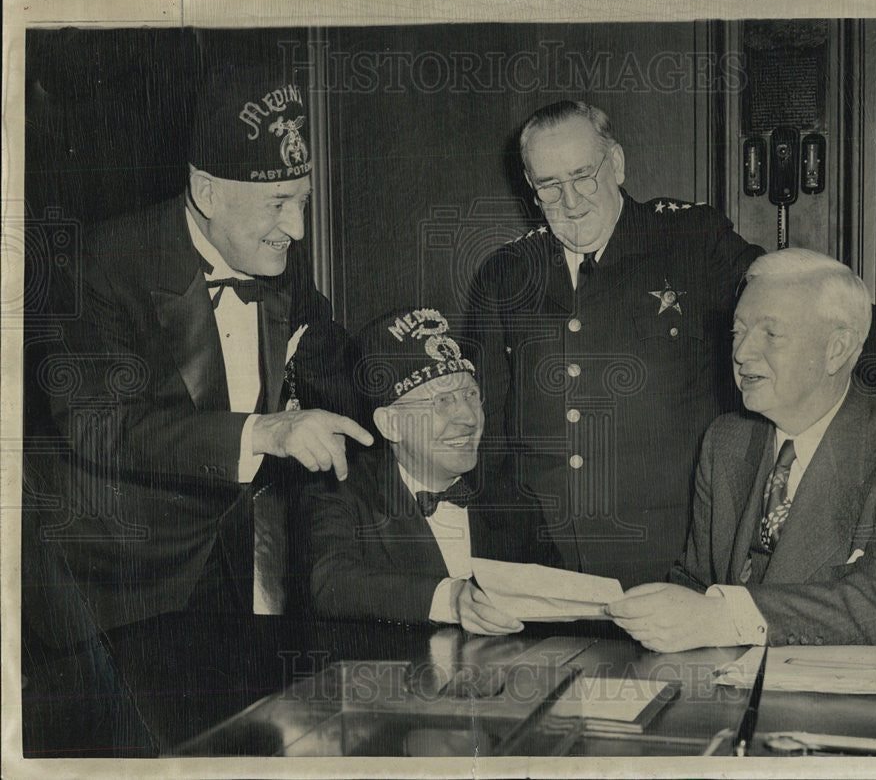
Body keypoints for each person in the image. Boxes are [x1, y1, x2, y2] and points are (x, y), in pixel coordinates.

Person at [464, 100, 876, 591]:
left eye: (582, 176)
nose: (570, 201)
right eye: (549, 186)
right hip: (538, 567)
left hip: (667, 565)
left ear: (615, 164)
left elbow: (806, 307)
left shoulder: (689, 238)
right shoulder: (506, 274)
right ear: (531, 189)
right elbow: (486, 428)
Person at [37, 66, 373, 633]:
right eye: (278, 202)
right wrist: (263, 431)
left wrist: (409, 390)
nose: (297, 227)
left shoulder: (276, 255)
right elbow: (99, 424)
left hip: (240, 567)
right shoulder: (101, 263)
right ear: (207, 191)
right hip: (122, 584)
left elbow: (328, 355)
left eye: (304, 202)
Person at [608, 249, 876, 653]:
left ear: (837, 349)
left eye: (771, 334)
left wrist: (722, 618)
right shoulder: (725, 441)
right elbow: (696, 581)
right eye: (738, 332)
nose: (742, 353)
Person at [308, 307, 561, 634]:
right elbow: (333, 585)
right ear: (392, 424)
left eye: (471, 394)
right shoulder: (341, 489)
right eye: (442, 402)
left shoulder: (511, 496)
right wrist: (450, 599)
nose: (469, 418)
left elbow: (556, 609)